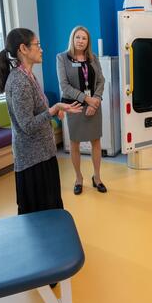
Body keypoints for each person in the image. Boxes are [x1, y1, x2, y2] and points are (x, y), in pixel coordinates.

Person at [0, 28, 82, 214]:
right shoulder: (19, 82)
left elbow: (37, 110)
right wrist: (54, 109)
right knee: (39, 216)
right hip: (32, 160)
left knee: (51, 210)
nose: (41, 49)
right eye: (37, 45)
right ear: (23, 49)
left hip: (43, 153)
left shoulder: (28, 75)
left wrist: (54, 111)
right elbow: (27, 126)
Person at [56, 26, 107, 194]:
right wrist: (87, 99)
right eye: (77, 37)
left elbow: (101, 80)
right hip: (75, 106)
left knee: (96, 142)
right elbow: (65, 86)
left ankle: (97, 177)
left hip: (94, 105)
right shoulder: (62, 58)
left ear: (88, 41)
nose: (80, 41)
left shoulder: (93, 58)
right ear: (72, 39)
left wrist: (96, 100)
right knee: (75, 143)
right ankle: (79, 178)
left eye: (84, 38)